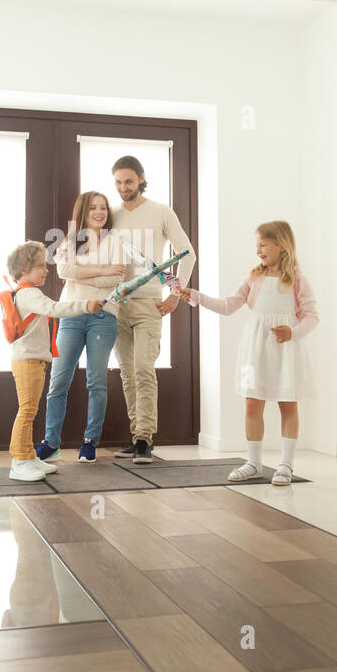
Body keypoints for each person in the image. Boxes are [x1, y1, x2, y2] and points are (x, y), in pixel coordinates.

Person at [179, 220, 318, 485]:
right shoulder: (254, 276)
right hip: (255, 349)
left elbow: (312, 315)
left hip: (284, 349)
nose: (258, 251)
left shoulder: (297, 279)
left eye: (263, 245)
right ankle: (253, 463)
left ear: (281, 245)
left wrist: (293, 333)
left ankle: (286, 465)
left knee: (288, 404)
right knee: (252, 403)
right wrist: (196, 295)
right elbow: (229, 305)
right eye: (257, 246)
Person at [109, 155, 195, 464]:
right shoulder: (111, 215)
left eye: (129, 181)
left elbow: (187, 255)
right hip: (117, 305)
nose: (123, 188)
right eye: (118, 182)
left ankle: (146, 439)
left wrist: (176, 294)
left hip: (149, 304)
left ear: (141, 178)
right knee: (127, 373)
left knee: (144, 369)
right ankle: (136, 437)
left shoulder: (161, 212)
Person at [36, 191, 125, 464]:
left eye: (103, 208)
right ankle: (51, 442)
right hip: (72, 313)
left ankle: (90, 442)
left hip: (104, 315)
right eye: (93, 208)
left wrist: (92, 275)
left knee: (96, 381)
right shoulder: (70, 242)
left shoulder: (116, 242)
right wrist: (103, 271)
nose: (99, 213)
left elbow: (118, 277)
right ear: (83, 212)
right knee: (58, 381)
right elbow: (64, 272)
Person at [4, 241, 104, 481]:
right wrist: (85, 305)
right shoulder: (28, 293)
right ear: (23, 270)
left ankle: (29, 457)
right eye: (40, 266)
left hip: (34, 360)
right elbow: (55, 308)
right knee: (27, 410)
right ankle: (19, 461)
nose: (46, 269)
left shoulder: (28, 292)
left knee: (30, 409)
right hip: (27, 360)